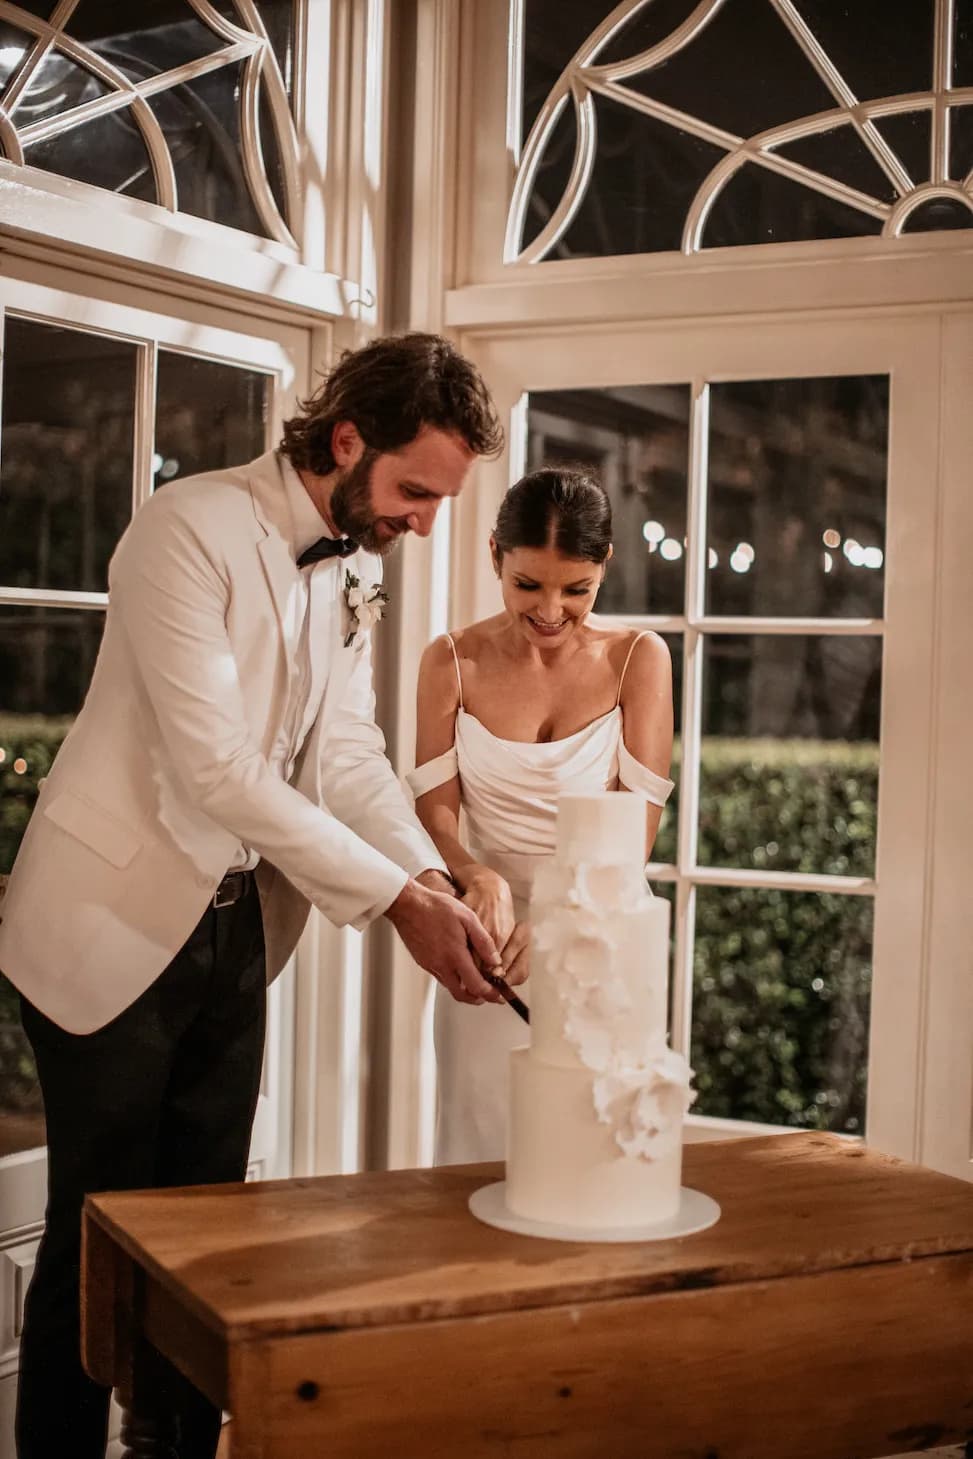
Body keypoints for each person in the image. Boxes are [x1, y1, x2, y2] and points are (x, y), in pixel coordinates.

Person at [0, 332, 506, 1459]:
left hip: (238, 931)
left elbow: (347, 754)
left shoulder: (355, 566)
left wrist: (429, 874)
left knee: (203, 1244)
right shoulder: (187, 530)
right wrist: (396, 907)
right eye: (417, 489)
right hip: (104, 924)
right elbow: (215, 770)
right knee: (99, 1235)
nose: (425, 520)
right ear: (345, 440)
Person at [408, 466, 675, 1164]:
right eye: (527, 584)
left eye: (575, 589)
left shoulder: (637, 660)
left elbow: (635, 831)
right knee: (479, 1146)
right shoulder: (450, 661)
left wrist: (559, 915)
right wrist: (472, 874)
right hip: (488, 946)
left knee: (592, 1156)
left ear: (603, 569)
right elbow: (433, 814)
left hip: (599, 933)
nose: (551, 610)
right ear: (494, 552)